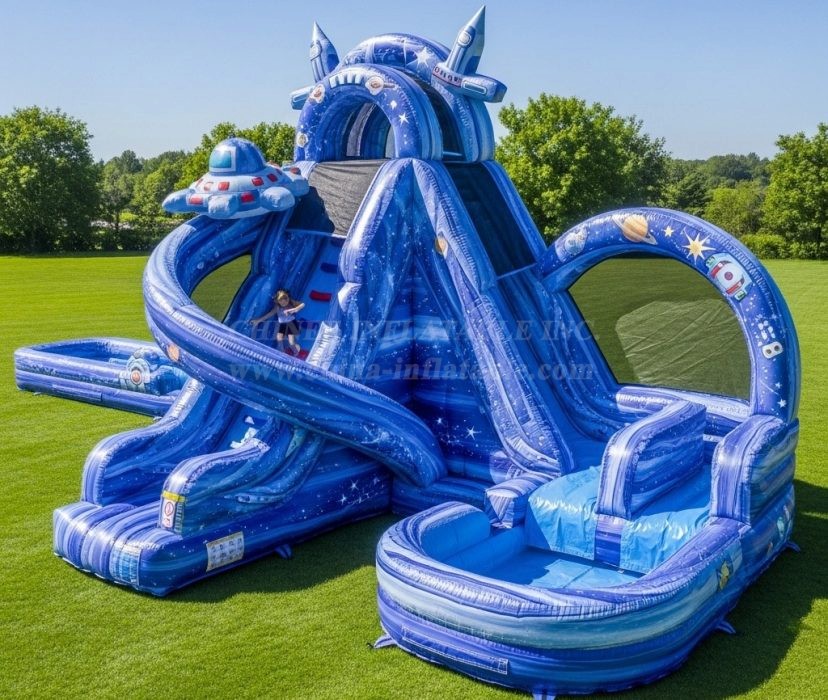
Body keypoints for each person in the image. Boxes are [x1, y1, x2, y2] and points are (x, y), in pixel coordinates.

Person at [250, 289, 306, 355]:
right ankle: (282, 353)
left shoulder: (291, 303)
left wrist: (295, 309)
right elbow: (269, 314)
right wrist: (258, 320)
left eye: (286, 299)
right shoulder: (277, 307)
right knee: (279, 339)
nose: (284, 302)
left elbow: (303, 304)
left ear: (288, 298)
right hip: (283, 325)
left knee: (291, 343)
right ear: (277, 301)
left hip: (291, 324)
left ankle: (296, 352)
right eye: (281, 300)